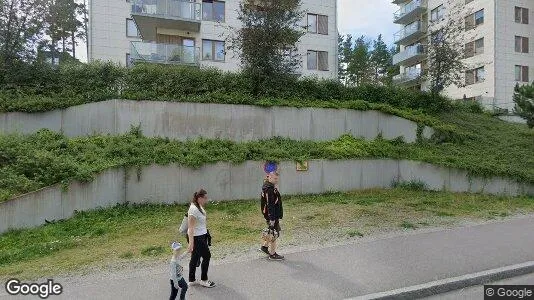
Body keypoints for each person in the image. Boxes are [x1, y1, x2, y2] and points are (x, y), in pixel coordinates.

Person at [187, 189, 216, 287]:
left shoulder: (198, 206)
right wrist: (191, 243)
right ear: (199, 198)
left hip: (201, 235)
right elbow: (190, 227)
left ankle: (191, 280)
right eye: (205, 198)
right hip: (197, 238)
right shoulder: (194, 209)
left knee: (195, 258)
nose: (206, 200)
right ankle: (204, 280)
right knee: (207, 256)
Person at [260, 172, 284, 260]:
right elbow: (270, 205)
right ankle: (273, 254)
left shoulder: (269, 187)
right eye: (274, 178)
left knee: (271, 231)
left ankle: (265, 247)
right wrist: (272, 218)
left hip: (272, 215)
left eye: (277, 179)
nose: (276, 180)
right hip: (272, 215)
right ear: (269, 178)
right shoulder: (269, 189)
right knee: (275, 233)